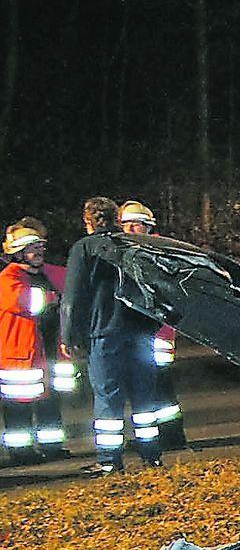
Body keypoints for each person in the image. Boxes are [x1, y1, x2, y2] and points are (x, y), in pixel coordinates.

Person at [62, 196, 166, 473]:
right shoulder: (134, 245)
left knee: (108, 396)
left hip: (104, 333)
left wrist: (69, 336)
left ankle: (110, 461)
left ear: (88, 222)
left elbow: (72, 298)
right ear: (116, 219)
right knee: (144, 395)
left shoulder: (84, 249)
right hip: (140, 332)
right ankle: (152, 455)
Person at [119, 200, 185, 449]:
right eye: (126, 224)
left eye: (136, 224)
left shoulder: (155, 253)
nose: (130, 229)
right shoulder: (140, 251)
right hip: (147, 330)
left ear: (147, 227)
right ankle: (165, 436)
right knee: (152, 387)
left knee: (159, 386)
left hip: (158, 332)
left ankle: (168, 437)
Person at [3, 221, 69, 459]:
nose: (39, 251)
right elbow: (27, 302)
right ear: (18, 253)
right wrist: (54, 298)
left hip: (45, 351)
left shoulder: (44, 275)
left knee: (49, 401)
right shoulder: (8, 278)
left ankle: (53, 448)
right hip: (20, 357)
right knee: (18, 406)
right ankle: (21, 453)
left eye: (41, 246)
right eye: (33, 248)